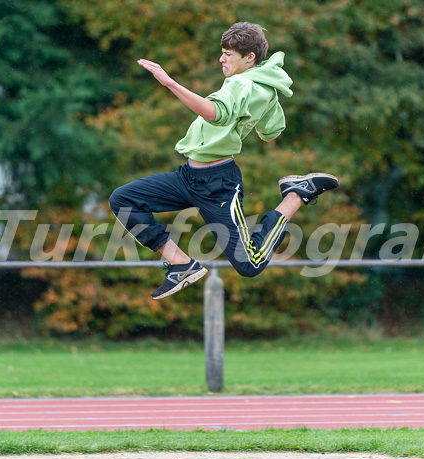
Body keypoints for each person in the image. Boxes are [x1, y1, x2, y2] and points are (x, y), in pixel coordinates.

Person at [109, 22, 339, 300]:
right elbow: (271, 133)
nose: (221, 59)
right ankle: (181, 264)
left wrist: (170, 83)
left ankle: (296, 195)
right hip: (188, 177)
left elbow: (214, 113)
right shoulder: (263, 87)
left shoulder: (241, 84)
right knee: (124, 200)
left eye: (228, 54)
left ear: (249, 57)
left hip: (218, 184)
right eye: (223, 52)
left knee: (249, 264)